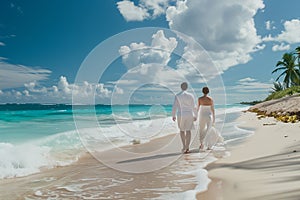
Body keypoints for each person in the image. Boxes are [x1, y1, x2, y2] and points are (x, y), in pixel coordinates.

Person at [172, 82, 197, 154]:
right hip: (189, 114)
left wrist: (173, 115)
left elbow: (175, 106)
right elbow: (193, 106)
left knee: (182, 130)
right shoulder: (191, 95)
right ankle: (187, 147)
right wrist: (195, 115)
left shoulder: (177, 95)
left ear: (181, 87)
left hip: (181, 114)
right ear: (187, 87)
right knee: (188, 130)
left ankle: (184, 146)